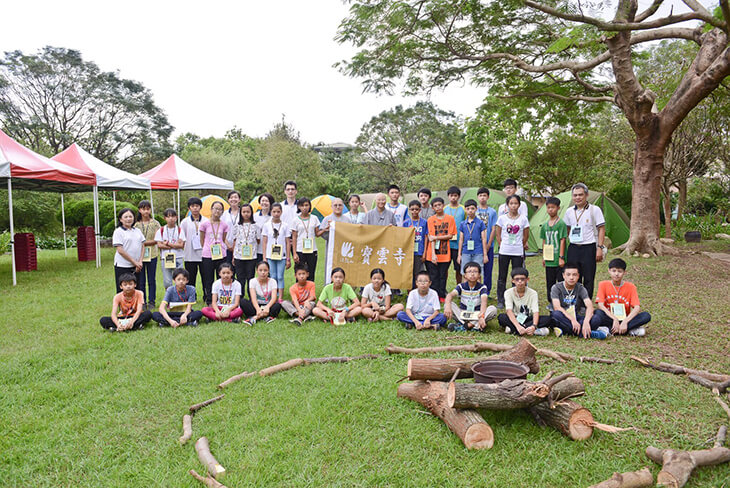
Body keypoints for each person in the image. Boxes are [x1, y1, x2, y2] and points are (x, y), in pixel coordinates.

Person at [564, 183, 606, 298]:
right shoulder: (569, 211)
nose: (578, 197)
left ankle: (586, 304)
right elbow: (567, 229)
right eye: (575, 195)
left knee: (588, 277)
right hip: (573, 248)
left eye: (580, 195)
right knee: (573, 277)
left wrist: (600, 247)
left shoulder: (594, 210)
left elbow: (601, 229)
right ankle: (575, 302)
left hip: (589, 247)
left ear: (586, 195)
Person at [593, 258, 652, 337]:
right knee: (597, 313)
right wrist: (614, 319)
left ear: (624, 272)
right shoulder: (603, 284)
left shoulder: (631, 287)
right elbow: (600, 305)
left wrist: (625, 322)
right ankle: (629, 330)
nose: (616, 274)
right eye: (614, 271)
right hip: (609, 318)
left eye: (619, 271)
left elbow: (637, 308)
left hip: (625, 319)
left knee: (646, 316)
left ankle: (611, 330)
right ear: (609, 271)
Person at [549, 263, 607, 339]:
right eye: (568, 275)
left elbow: (589, 306)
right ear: (563, 275)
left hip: (577, 317)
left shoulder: (580, 288)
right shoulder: (556, 287)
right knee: (555, 314)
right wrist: (572, 320)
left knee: (598, 316)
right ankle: (586, 333)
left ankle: (574, 331)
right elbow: (557, 307)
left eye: (574, 275)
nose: (571, 277)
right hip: (564, 317)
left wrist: (586, 322)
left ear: (578, 276)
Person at [495, 195, 530, 309]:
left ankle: (515, 297)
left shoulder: (523, 219)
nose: (513, 206)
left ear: (519, 205)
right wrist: (502, 244)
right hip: (504, 251)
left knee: (517, 276)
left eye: (515, 203)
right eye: (511, 203)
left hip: (517, 251)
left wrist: (520, 244)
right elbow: (498, 234)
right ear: (507, 205)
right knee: (502, 275)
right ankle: (501, 299)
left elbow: (526, 235)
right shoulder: (502, 219)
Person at [444, 262, 497, 332]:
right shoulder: (461, 286)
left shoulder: (482, 287)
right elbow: (450, 295)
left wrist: (481, 316)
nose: (472, 274)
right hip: (463, 314)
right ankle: (476, 326)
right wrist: (448, 306)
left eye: (475, 272)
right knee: (448, 305)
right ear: (465, 275)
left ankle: (466, 326)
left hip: (477, 314)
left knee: (493, 309)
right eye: (469, 272)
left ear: (479, 275)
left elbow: (484, 301)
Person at [497, 268, 551, 336]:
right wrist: (518, 326)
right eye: (517, 279)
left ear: (527, 280)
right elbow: (509, 311)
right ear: (513, 281)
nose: (520, 281)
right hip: (515, 318)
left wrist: (533, 326)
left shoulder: (533, 293)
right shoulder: (508, 292)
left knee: (548, 319)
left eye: (522, 279)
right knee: (501, 317)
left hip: (528, 318)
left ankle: (513, 330)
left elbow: (535, 311)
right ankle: (531, 331)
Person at [425, 197, 456, 300]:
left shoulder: (450, 219)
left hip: (445, 253)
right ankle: (434, 296)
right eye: (435, 206)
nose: (438, 207)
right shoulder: (430, 220)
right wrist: (433, 254)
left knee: (443, 275)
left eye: (439, 205)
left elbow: (450, 235)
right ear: (432, 208)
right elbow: (431, 237)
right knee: (433, 276)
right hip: (432, 253)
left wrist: (437, 237)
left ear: (443, 205)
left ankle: (442, 295)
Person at [199, 201, 229, 306]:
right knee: (208, 278)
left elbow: (223, 239)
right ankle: (210, 301)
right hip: (208, 255)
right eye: (215, 208)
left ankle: (221, 299)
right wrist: (207, 248)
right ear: (211, 210)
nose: (217, 211)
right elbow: (202, 240)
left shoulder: (224, 225)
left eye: (220, 209)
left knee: (221, 277)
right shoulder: (204, 224)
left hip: (221, 254)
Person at [261, 203, 291, 301]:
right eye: (274, 211)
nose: (276, 214)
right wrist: (264, 257)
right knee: (272, 276)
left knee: (280, 276)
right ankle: (273, 295)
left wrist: (288, 258)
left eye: (278, 211)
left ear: (281, 212)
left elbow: (287, 242)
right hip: (270, 255)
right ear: (271, 212)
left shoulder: (285, 226)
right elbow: (264, 242)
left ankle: (280, 297)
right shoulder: (266, 225)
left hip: (281, 256)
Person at [540, 196, 568, 303]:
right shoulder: (544, 226)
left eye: (553, 207)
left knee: (561, 281)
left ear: (558, 208)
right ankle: (551, 301)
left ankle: (561, 301)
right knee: (550, 281)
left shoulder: (561, 224)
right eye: (548, 207)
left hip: (558, 259)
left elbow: (562, 240)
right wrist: (543, 256)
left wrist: (561, 257)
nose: (550, 210)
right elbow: (544, 241)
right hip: (549, 259)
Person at [134, 200, 161, 308]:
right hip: (139, 255)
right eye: (143, 209)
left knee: (151, 279)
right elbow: (134, 239)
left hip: (152, 254)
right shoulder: (136, 225)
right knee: (141, 280)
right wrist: (143, 242)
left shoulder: (155, 223)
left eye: (148, 209)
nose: (146, 211)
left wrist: (143, 242)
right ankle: (142, 301)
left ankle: (152, 301)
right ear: (139, 210)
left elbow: (157, 239)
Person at [112, 208, 144, 292]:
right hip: (123, 266)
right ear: (120, 219)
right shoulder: (118, 232)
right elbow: (120, 250)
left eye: (130, 216)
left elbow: (143, 245)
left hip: (137, 266)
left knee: (136, 289)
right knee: (123, 289)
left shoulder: (137, 231)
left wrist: (140, 262)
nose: (128, 219)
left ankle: (136, 305)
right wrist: (134, 262)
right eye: (125, 217)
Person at [180, 197, 208, 292]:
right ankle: (192, 295)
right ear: (189, 208)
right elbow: (182, 238)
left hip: (204, 254)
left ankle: (206, 295)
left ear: (200, 207)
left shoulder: (206, 221)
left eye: (197, 206)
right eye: (192, 206)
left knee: (205, 276)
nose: (195, 208)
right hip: (190, 254)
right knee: (190, 277)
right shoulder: (185, 222)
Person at [291, 197, 323, 280]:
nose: (304, 207)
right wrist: (294, 253)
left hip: (312, 250)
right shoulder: (295, 220)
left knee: (311, 272)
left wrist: (325, 229)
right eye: (302, 205)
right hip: (300, 250)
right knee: (300, 272)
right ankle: (299, 292)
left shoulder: (314, 218)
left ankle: (310, 291)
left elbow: (317, 234)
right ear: (298, 207)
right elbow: (294, 237)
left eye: (306, 205)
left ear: (309, 206)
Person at [241, 260, 281, 325]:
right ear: (257, 271)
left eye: (265, 270)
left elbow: (274, 298)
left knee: (277, 305)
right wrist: (257, 309)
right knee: (243, 301)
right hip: (256, 305)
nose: (263, 272)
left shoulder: (273, 281)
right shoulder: (252, 281)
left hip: (268, 305)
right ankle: (266, 316)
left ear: (268, 271)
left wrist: (267, 307)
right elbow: (253, 298)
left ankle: (255, 318)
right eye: (260, 270)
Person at [232, 203, 259, 300]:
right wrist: (233, 257)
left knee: (250, 277)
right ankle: (240, 297)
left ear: (251, 213)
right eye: (244, 212)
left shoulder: (255, 226)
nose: (246, 214)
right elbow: (234, 240)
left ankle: (252, 297)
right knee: (240, 277)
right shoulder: (237, 226)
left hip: (251, 256)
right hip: (239, 256)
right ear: (240, 213)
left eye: (248, 212)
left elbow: (258, 240)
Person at [155, 208, 186, 289]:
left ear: (176, 218)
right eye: (168, 216)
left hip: (178, 257)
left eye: (173, 216)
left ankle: (179, 297)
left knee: (180, 279)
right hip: (165, 258)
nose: (171, 218)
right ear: (165, 218)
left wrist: (168, 243)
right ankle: (169, 298)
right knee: (167, 281)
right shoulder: (161, 230)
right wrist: (174, 244)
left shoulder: (179, 230)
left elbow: (181, 245)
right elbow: (159, 245)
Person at [475, 187, 498, 296]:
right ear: (477, 197)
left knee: (488, 270)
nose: (482, 198)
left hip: (489, 244)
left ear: (488, 197)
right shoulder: (474, 211)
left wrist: (489, 244)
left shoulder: (492, 211)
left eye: (484, 195)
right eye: (480, 196)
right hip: (476, 245)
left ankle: (487, 291)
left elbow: (494, 228)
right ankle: (476, 289)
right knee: (476, 268)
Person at [457, 199, 487, 278]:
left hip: (478, 251)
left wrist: (485, 254)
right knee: (465, 273)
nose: (470, 211)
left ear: (476, 209)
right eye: (468, 209)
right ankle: (466, 290)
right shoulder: (462, 224)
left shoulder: (480, 223)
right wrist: (459, 255)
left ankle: (478, 290)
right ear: (465, 210)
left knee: (478, 272)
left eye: (472, 208)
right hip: (466, 252)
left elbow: (484, 239)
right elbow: (461, 239)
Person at [402, 200, 428, 290]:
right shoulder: (406, 223)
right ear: (409, 210)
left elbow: (426, 237)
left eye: (416, 209)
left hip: (419, 251)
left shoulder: (424, 222)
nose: (414, 211)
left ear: (420, 210)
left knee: (418, 272)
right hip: (409, 252)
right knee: (409, 272)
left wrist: (424, 252)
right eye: (412, 209)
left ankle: (418, 290)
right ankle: (409, 291)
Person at [319, 197, 350, 272]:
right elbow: (322, 233)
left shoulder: (347, 219)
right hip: (331, 246)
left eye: (340, 205)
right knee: (330, 265)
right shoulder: (327, 219)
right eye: (335, 205)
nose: (338, 207)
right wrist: (327, 229)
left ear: (343, 206)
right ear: (331, 207)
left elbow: (351, 233)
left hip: (344, 247)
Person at [444, 186, 466, 284]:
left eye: (455, 196)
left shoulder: (463, 209)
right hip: (446, 244)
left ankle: (459, 287)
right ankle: (443, 288)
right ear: (448, 197)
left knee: (459, 268)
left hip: (458, 244)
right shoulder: (444, 209)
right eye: (451, 196)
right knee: (444, 268)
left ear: (459, 196)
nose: (453, 198)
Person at [221, 190, 242, 270]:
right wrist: (228, 245)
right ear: (228, 200)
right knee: (228, 269)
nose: (233, 199)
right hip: (227, 246)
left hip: (240, 247)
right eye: (231, 198)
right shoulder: (224, 214)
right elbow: (221, 231)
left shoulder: (243, 212)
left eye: (236, 197)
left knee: (239, 271)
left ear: (239, 199)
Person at [254, 193, 275, 262]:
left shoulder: (274, 217)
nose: (264, 203)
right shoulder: (254, 216)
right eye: (262, 201)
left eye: (266, 201)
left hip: (270, 248)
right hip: (257, 249)